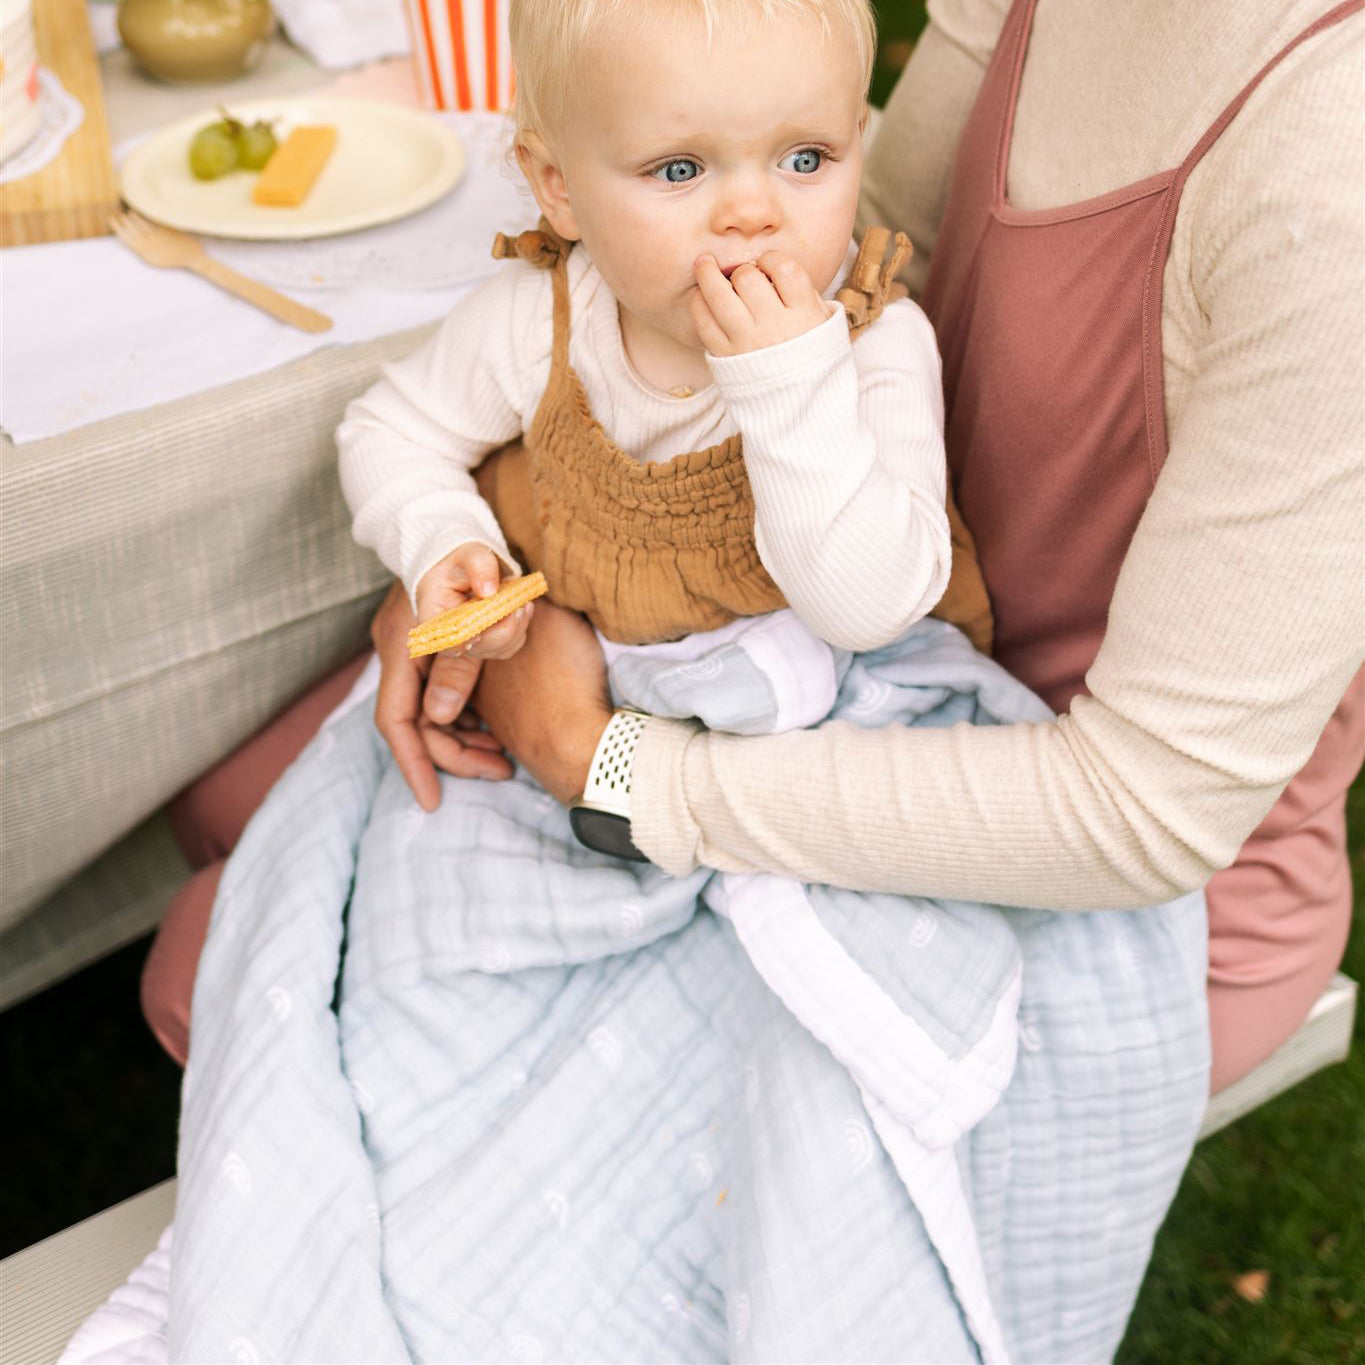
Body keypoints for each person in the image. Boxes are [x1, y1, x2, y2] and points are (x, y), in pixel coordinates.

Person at [144, 0, 1363, 1103]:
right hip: (676, 669)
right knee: (229, 845)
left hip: (1013, 811)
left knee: (255, 982)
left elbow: (1111, 790)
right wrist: (467, 550)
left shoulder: (1329, 180)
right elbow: (875, 229)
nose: (750, 212)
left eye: (800, 162)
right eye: (683, 170)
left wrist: (593, 755)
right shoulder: (558, 314)